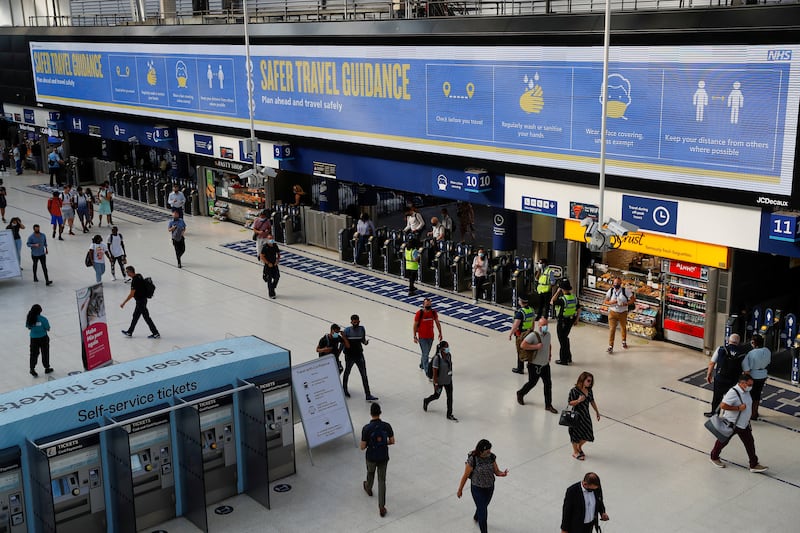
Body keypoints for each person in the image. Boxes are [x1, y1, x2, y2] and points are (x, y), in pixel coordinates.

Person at [709, 374, 768, 473]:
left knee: (750, 443)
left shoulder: (745, 391)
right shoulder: (733, 393)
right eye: (749, 384)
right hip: (732, 423)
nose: (751, 386)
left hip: (744, 424)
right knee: (723, 441)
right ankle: (714, 457)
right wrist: (738, 408)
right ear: (742, 383)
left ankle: (753, 464)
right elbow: (723, 405)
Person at [456, 439, 508, 533]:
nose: (489, 452)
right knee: (483, 511)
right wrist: (460, 489)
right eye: (487, 450)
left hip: (489, 488)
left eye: (490, 450)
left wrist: (502, 474)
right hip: (477, 489)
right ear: (481, 451)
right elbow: (465, 475)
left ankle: (477, 515)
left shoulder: (491, 457)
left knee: (483, 507)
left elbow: (496, 471)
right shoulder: (473, 459)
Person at [360, 402, 395, 518]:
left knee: (370, 473)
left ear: (370, 413)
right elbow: (392, 441)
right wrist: (384, 443)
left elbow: (362, 447)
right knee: (382, 480)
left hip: (371, 457)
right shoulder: (387, 426)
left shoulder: (366, 429)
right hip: (383, 457)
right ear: (380, 412)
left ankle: (368, 487)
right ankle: (381, 507)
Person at [516, 318, 558, 413]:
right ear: (539, 326)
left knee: (548, 384)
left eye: (546, 325)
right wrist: (536, 346)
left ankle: (548, 405)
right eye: (543, 325)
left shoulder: (548, 335)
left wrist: (549, 354)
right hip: (534, 366)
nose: (545, 327)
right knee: (532, 383)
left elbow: (549, 345)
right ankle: (520, 393)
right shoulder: (533, 336)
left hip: (545, 365)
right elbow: (523, 345)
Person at [705, 333, 748, 417]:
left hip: (720, 379)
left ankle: (714, 413)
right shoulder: (743, 354)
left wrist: (709, 374)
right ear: (738, 342)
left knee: (717, 397)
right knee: (731, 398)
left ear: (728, 341)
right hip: (734, 381)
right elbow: (746, 371)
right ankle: (728, 415)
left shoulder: (721, 349)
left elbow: (712, 363)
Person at [342, 314, 378, 401]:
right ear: (351, 322)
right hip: (349, 355)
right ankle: (344, 390)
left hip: (359, 355)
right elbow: (343, 343)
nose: (355, 323)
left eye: (356, 321)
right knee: (347, 372)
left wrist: (365, 342)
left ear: (359, 321)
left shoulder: (362, 329)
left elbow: (362, 339)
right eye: (354, 322)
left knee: (364, 374)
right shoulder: (347, 330)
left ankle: (368, 394)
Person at [567, 372, 601, 460]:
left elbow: (592, 401)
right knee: (575, 435)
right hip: (576, 416)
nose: (590, 383)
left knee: (588, 434)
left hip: (585, 416)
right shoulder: (574, 391)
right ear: (582, 380)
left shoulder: (589, 390)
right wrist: (578, 401)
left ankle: (579, 447)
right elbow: (570, 403)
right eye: (588, 381)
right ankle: (575, 452)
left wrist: (597, 411)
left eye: (591, 381)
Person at [120, 265, 160, 339]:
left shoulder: (134, 281)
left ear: (130, 272)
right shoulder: (139, 275)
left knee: (147, 317)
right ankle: (129, 332)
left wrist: (124, 303)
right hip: (143, 300)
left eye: (127, 272)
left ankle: (156, 333)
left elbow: (131, 294)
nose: (126, 273)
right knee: (135, 316)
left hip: (140, 301)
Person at [422, 340, 458, 421]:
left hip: (448, 380)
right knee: (436, 396)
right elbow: (434, 373)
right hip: (440, 381)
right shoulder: (437, 359)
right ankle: (426, 400)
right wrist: (436, 384)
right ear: (442, 349)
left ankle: (449, 414)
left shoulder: (449, 355)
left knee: (450, 397)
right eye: (446, 347)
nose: (448, 348)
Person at [552, 279, 581, 365]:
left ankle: (563, 360)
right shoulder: (574, 297)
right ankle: (568, 357)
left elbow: (552, 301)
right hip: (570, 320)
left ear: (562, 289)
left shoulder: (562, 299)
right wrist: (577, 320)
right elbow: (579, 309)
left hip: (562, 322)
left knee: (562, 340)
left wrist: (557, 292)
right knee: (565, 338)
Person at [743, 333, 771, 421]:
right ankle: (755, 411)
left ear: (754, 343)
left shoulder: (751, 353)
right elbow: (769, 362)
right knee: (758, 394)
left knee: (751, 394)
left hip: (753, 375)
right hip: (763, 375)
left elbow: (746, 367)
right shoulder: (767, 351)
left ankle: (750, 412)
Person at [602, 276, 634, 353]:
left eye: (618, 283)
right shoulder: (611, 291)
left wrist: (626, 303)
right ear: (613, 284)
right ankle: (610, 346)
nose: (616, 285)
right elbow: (605, 301)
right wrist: (611, 302)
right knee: (612, 329)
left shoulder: (625, 291)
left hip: (623, 312)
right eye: (615, 283)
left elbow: (633, 299)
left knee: (623, 327)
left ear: (621, 283)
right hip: (612, 312)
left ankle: (624, 341)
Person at [413, 297, 442, 374]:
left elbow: (437, 322)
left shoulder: (433, 312)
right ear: (423, 305)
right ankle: (427, 372)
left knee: (426, 353)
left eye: (429, 305)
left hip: (431, 337)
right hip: (422, 337)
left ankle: (422, 364)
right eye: (427, 305)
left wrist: (440, 332)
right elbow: (415, 325)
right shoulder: (419, 313)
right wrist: (414, 336)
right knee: (426, 354)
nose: (428, 307)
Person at [509, 295, 535, 374]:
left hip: (521, 334)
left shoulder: (520, 313)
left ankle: (520, 368)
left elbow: (515, 325)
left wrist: (510, 334)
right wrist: (532, 330)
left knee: (520, 350)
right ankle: (531, 366)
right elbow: (533, 322)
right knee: (529, 350)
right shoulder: (531, 310)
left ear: (521, 302)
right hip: (529, 332)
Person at [26, 304, 53, 377]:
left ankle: (32, 369)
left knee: (33, 354)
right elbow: (48, 328)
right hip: (43, 338)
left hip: (33, 339)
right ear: (40, 311)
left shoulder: (29, 318)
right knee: (45, 353)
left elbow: (28, 327)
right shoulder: (43, 319)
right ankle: (47, 367)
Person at [259, 232, 281, 299]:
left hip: (274, 264)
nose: (271, 240)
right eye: (269, 239)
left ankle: (273, 287)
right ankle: (271, 293)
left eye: (271, 239)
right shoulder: (265, 247)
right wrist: (268, 263)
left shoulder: (275, 245)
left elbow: (278, 254)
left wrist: (277, 261)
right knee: (269, 279)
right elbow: (262, 256)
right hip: (268, 266)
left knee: (277, 276)